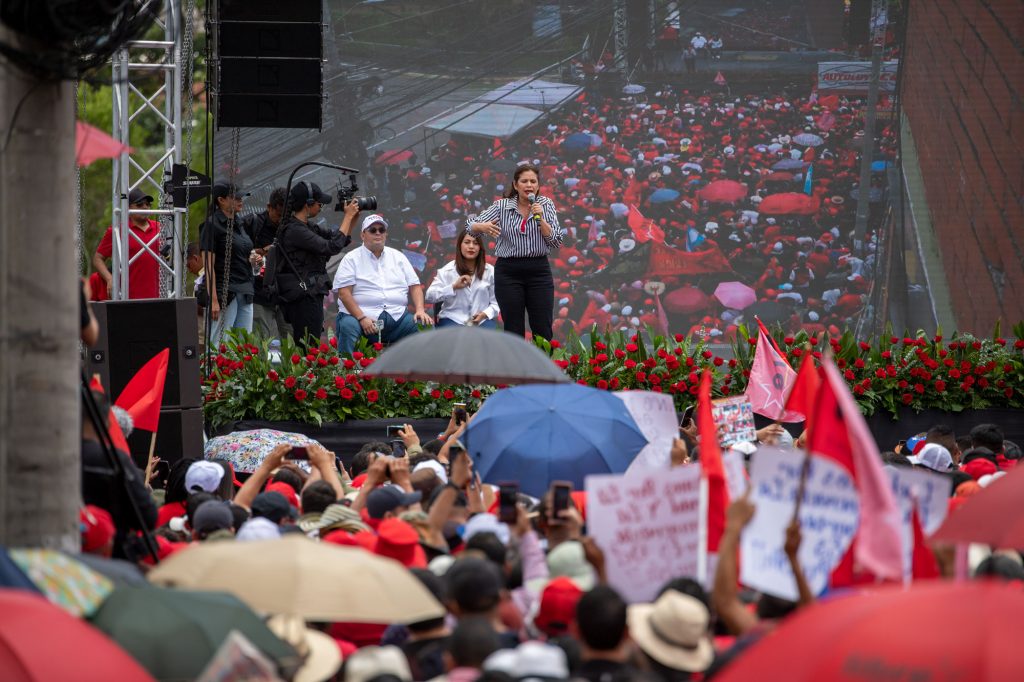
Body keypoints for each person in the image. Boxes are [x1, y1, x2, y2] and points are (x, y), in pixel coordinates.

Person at [467, 164, 563, 340]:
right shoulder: (501, 206)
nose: (529, 185)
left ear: (538, 185)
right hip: (509, 271)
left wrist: (540, 219)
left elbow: (556, 240)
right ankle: (515, 367)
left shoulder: (546, 205)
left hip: (538, 270)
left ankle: (542, 365)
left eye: (533, 181)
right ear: (515, 184)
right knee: (513, 325)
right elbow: (470, 227)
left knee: (542, 325)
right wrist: (483, 226)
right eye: (524, 181)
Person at [332, 213, 432, 356]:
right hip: (360, 320)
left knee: (425, 325)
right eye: (373, 230)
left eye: (381, 230)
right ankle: (348, 376)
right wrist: (361, 318)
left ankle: (425, 375)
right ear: (363, 235)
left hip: (398, 319)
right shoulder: (351, 258)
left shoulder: (398, 256)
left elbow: (415, 286)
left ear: (386, 234)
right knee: (348, 325)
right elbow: (344, 293)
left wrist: (420, 310)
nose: (378, 233)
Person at [276, 182, 357, 349]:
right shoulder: (295, 230)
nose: (321, 207)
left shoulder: (308, 227)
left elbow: (338, 239)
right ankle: (306, 374)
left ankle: (308, 373)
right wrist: (347, 217)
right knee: (308, 344)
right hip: (303, 297)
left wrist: (353, 218)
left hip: (311, 294)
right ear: (308, 204)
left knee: (310, 341)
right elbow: (331, 247)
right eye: (319, 204)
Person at [200, 182, 260, 345]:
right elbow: (208, 266)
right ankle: (214, 370)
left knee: (244, 344)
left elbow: (242, 253)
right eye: (235, 197)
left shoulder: (239, 224)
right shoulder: (212, 225)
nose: (241, 200)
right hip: (226, 292)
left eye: (241, 197)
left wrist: (253, 259)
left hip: (245, 289)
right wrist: (213, 300)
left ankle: (240, 371)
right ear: (221, 200)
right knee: (219, 342)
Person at [92, 187, 162, 300]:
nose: (145, 207)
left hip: (159, 297)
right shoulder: (117, 230)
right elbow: (97, 258)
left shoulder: (160, 228)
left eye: (148, 204)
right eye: (139, 205)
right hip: (127, 298)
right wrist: (110, 279)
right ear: (128, 208)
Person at [426, 231, 500, 328]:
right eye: (467, 242)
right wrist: (453, 287)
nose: (471, 246)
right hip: (452, 319)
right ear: (460, 246)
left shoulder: (490, 271)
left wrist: (484, 314)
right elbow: (429, 296)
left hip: (482, 321)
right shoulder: (447, 271)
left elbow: (497, 302)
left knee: (485, 341)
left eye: (475, 243)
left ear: (480, 248)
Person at [247, 188, 291, 341]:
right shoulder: (253, 223)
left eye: (284, 216)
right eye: (278, 215)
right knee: (259, 342)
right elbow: (241, 252)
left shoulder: (290, 226)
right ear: (269, 207)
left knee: (292, 344)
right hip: (260, 293)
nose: (280, 220)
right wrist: (261, 252)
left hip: (285, 294)